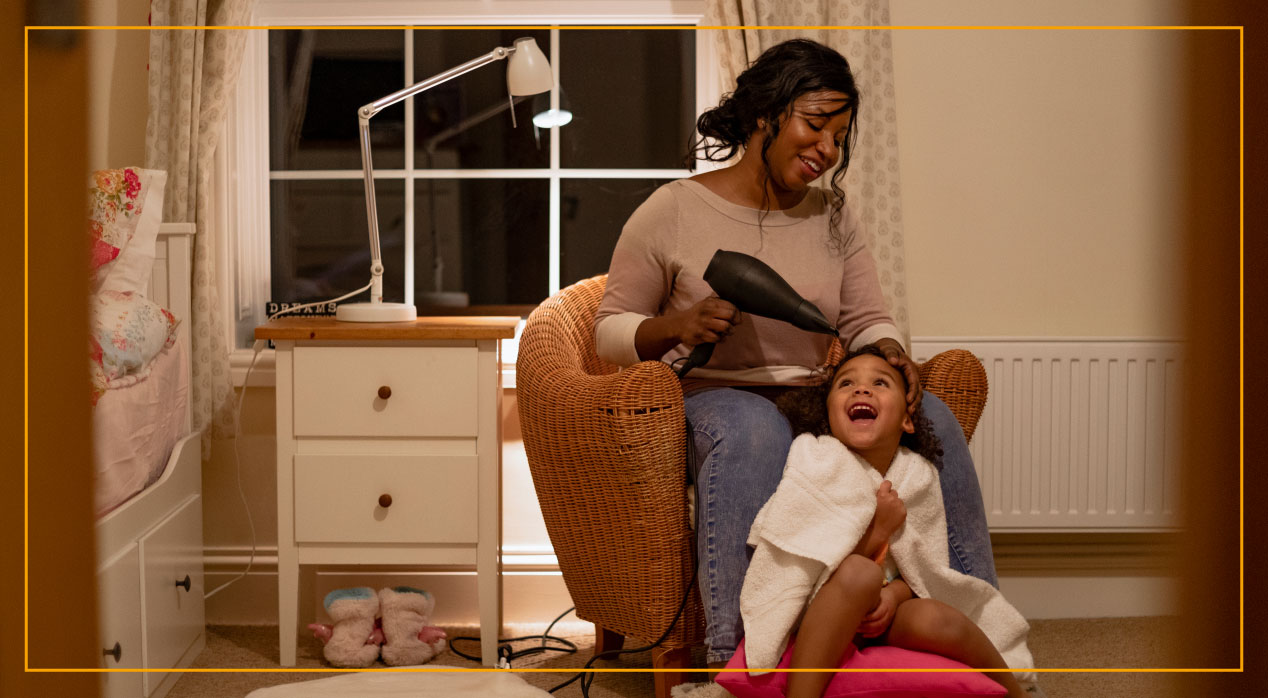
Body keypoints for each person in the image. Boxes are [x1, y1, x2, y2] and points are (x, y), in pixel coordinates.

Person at [593, 38, 996, 668]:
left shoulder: (833, 215)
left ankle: (978, 627)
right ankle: (738, 663)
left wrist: (890, 355)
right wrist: (678, 324)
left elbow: (866, 320)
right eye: (814, 126)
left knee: (936, 416)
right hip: (713, 401)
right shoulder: (673, 210)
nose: (827, 151)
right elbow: (609, 329)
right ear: (765, 115)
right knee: (753, 429)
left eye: (839, 136)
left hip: (814, 396)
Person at [742, 346, 1035, 698]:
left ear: (906, 420)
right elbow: (811, 559)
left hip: (885, 614)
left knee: (940, 618)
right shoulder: (818, 461)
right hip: (825, 607)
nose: (861, 389)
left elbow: (925, 568)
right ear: (829, 415)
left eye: (879, 383)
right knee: (860, 573)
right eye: (846, 383)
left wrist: (894, 597)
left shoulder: (918, 475)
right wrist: (879, 530)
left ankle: (1016, 692)